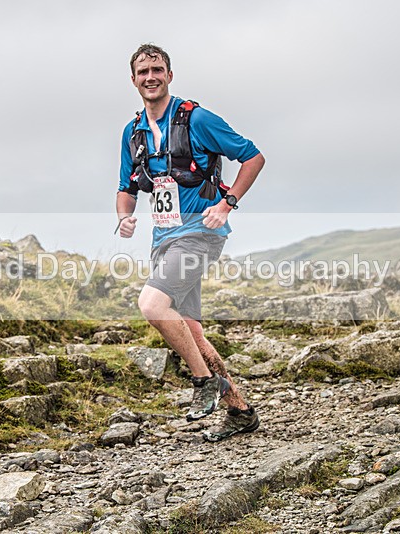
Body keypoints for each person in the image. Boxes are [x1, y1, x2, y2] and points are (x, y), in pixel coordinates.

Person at [115, 44, 266, 442]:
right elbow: (126, 187)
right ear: (133, 80)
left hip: (199, 234)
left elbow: (253, 157)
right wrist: (124, 215)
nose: (151, 77)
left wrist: (228, 203)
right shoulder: (133, 133)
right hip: (163, 239)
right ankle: (240, 411)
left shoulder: (197, 119)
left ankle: (202, 383)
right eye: (143, 71)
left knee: (151, 304)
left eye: (157, 69)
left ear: (169, 74)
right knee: (194, 335)